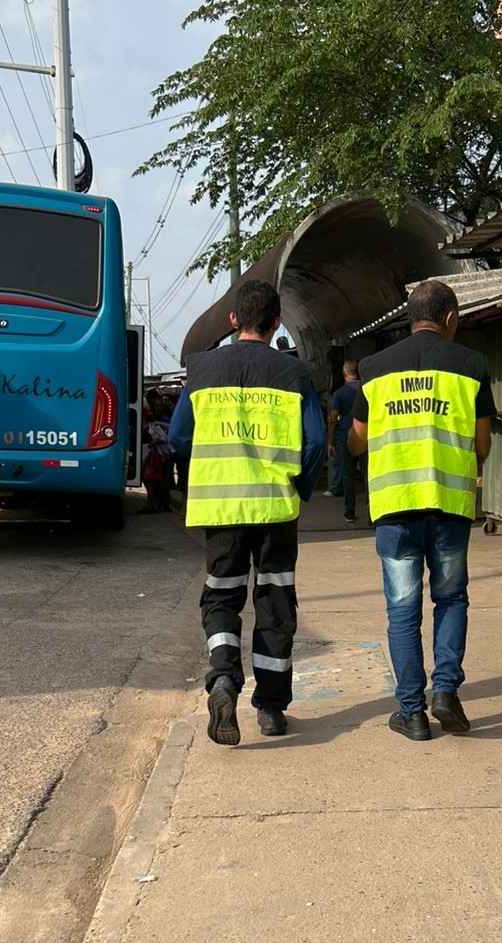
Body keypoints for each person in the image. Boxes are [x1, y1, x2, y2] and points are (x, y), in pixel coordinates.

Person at [168, 279, 325, 745]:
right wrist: (300, 485)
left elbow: (178, 436)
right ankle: (272, 709)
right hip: (276, 509)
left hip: (221, 508)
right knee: (274, 603)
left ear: (234, 321)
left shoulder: (200, 369)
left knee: (221, 598)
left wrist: (209, 467)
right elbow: (315, 442)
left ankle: (221, 679)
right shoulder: (295, 375)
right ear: (277, 322)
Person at [347, 280, 495, 742]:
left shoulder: (373, 369)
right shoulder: (471, 365)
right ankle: (446, 692)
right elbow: (483, 443)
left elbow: (357, 440)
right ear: (449, 318)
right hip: (449, 507)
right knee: (450, 599)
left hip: (395, 509)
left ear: (410, 317)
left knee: (402, 611)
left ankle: (411, 713)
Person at [327, 360, 363, 523]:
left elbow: (333, 419)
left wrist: (330, 441)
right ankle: (373, 512)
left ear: (344, 374)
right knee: (368, 473)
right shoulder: (367, 389)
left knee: (348, 474)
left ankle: (350, 512)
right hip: (367, 436)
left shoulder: (340, 393)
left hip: (346, 437)